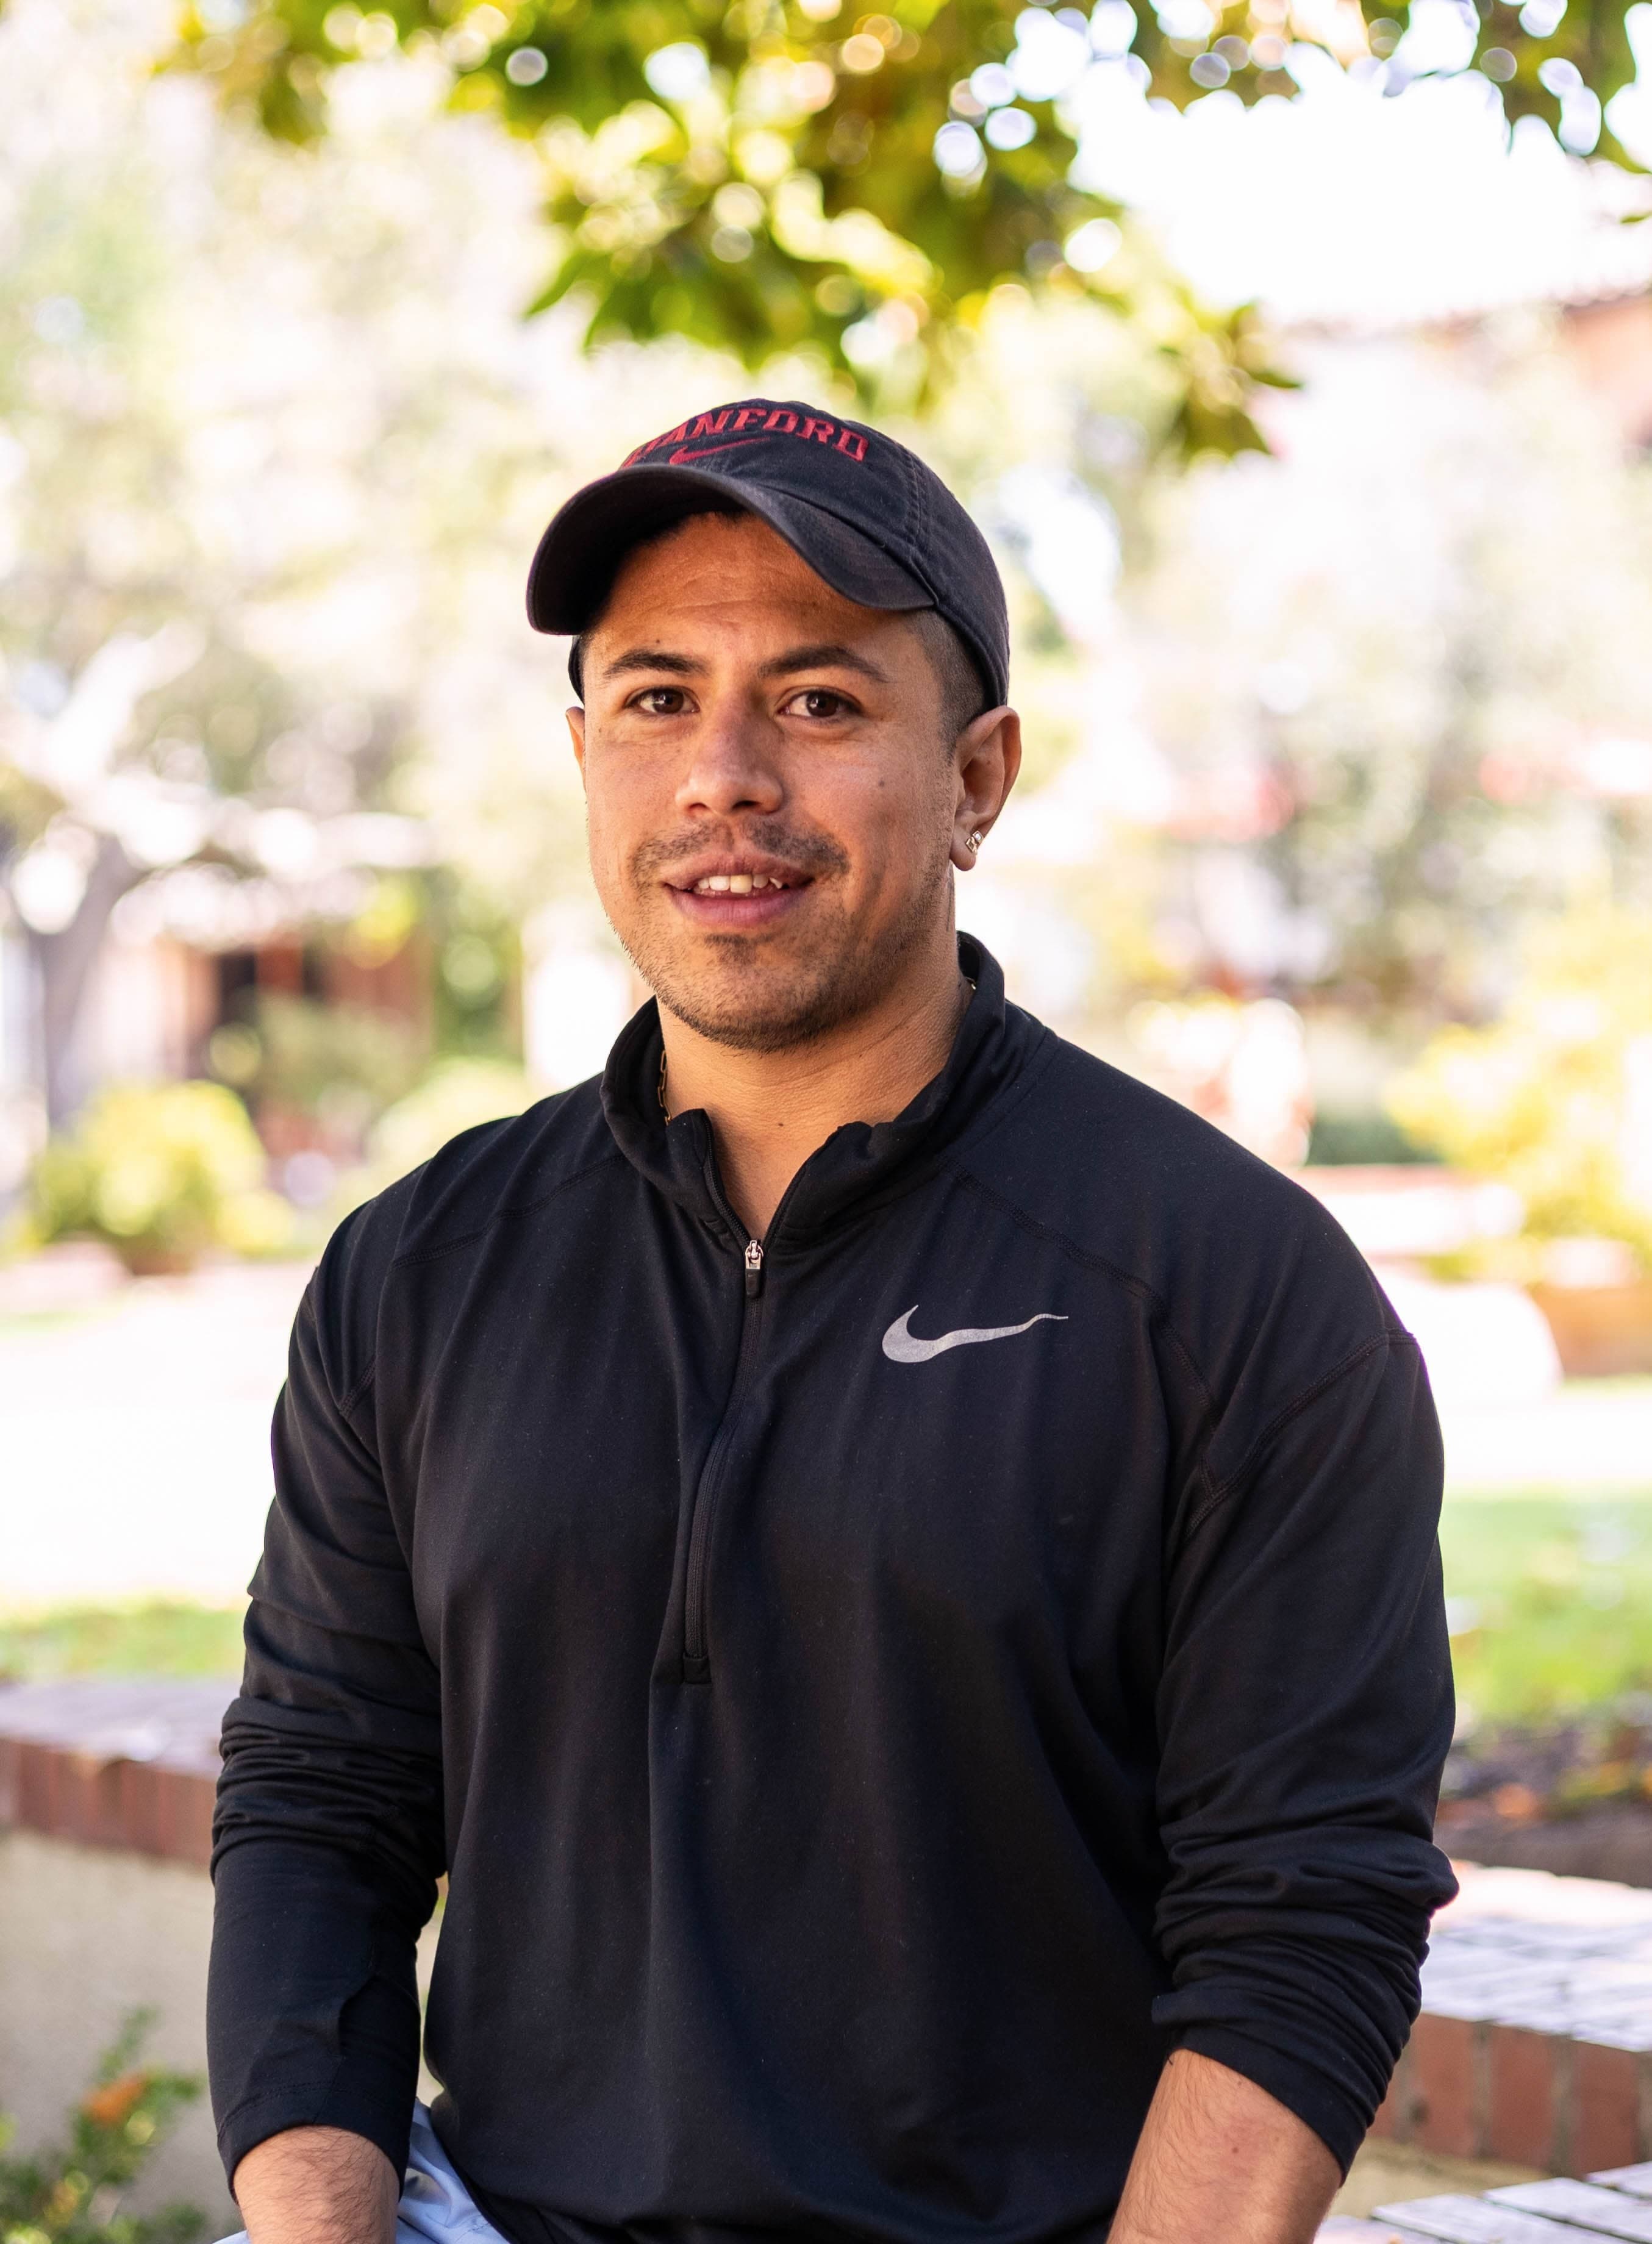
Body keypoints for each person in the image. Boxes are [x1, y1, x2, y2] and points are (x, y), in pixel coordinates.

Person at [208, 400, 1456, 2244]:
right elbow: (323, 1802)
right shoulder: (418, 1270)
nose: (723, 778)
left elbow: (1306, 1910)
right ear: (584, 758)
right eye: (657, 699)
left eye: (817, 700)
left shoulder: (1231, 1291)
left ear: (978, 777)